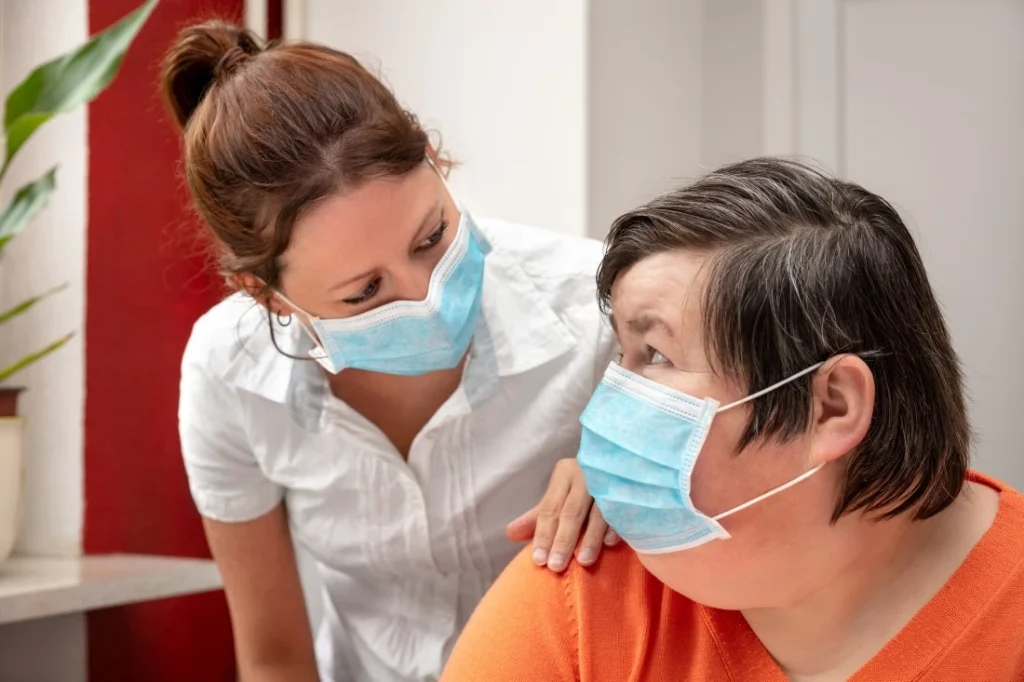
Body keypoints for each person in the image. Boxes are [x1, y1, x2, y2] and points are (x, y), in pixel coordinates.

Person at [441, 157, 1024, 682]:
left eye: (658, 357)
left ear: (832, 406)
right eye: (623, 356)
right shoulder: (588, 581)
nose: (608, 406)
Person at [161, 21, 620, 682]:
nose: (427, 294)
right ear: (266, 297)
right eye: (366, 291)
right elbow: (274, 659)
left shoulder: (600, 307)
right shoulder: (229, 373)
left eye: (431, 236)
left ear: (436, 159)